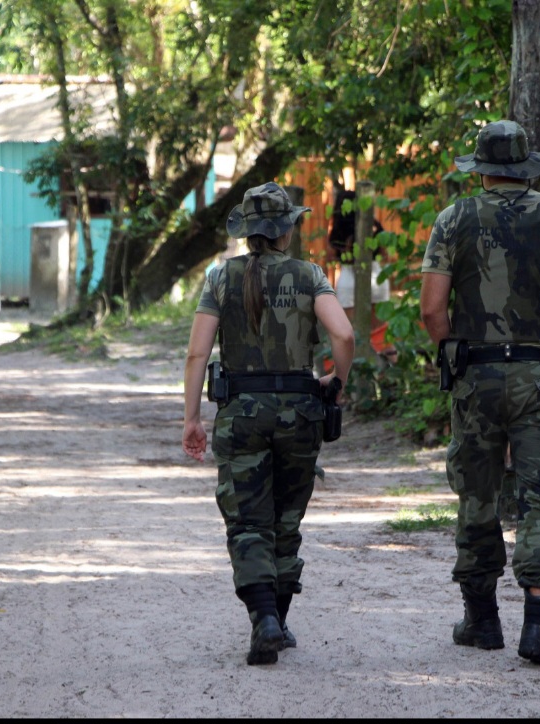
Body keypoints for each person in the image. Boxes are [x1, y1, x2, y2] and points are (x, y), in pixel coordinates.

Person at [419, 120, 540, 668]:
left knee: (477, 492)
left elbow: (431, 309)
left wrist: (454, 351)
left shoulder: (455, 219)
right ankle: (539, 626)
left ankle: (481, 620)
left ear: (482, 168)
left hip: (476, 375)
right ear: (526, 166)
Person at [182, 182, 354, 666]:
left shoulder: (219, 278)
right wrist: (337, 381)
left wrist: (192, 417)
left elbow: (198, 351)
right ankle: (277, 617)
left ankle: (264, 620)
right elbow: (343, 332)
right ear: (287, 229)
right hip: (300, 413)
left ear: (246, 230)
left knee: (247, 519)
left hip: (240, 414)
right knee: (285, 518)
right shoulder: (310, 275)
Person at [327, 189, 397, 362]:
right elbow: (385, 253)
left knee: (354, 333)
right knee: (381, 331)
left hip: (349, 280)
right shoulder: (374, 226)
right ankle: (391, 372)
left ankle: (358, 373)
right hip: (377, 278)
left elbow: (330, 257)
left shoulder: (338, 232)